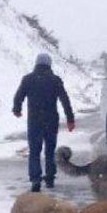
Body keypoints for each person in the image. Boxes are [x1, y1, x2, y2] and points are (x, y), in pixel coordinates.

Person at [13, 52, 75, 192]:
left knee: (34, 151)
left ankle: (35, 180)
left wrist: (17, 109)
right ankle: (50, 178)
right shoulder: (55, 80)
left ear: (36, 64)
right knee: (50, 150)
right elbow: (65, 100)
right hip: (51, 120)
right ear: (49, 64)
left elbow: (19, 96)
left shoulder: (28, 79)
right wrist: (70, 119)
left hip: (34, 121)